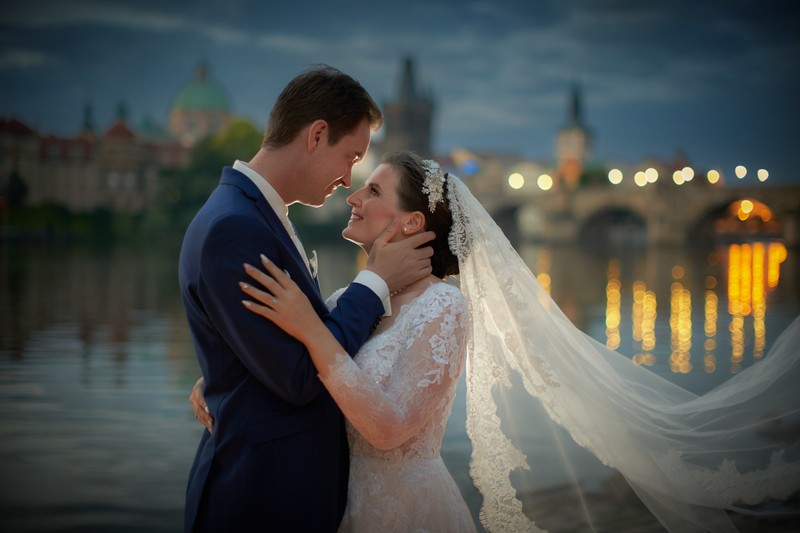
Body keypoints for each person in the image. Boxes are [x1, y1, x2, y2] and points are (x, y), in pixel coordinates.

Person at [194, 151, 800, 532]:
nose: (353, 194)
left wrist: (308, 333)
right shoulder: (355, 298)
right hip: (337, 504)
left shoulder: (444, 305)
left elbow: (385, 425)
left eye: (373, 191)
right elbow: (298, 362)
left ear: (410, 224)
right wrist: (226, 382)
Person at [178, 67, 435, 533]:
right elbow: (300, 376)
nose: (348, 179)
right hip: (258, 501)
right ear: (317, 135)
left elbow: (274, 347)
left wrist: (228, 372)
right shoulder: (235, 228)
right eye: (351, 156)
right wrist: (374, 281)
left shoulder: (255, 215)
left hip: (279, 496)